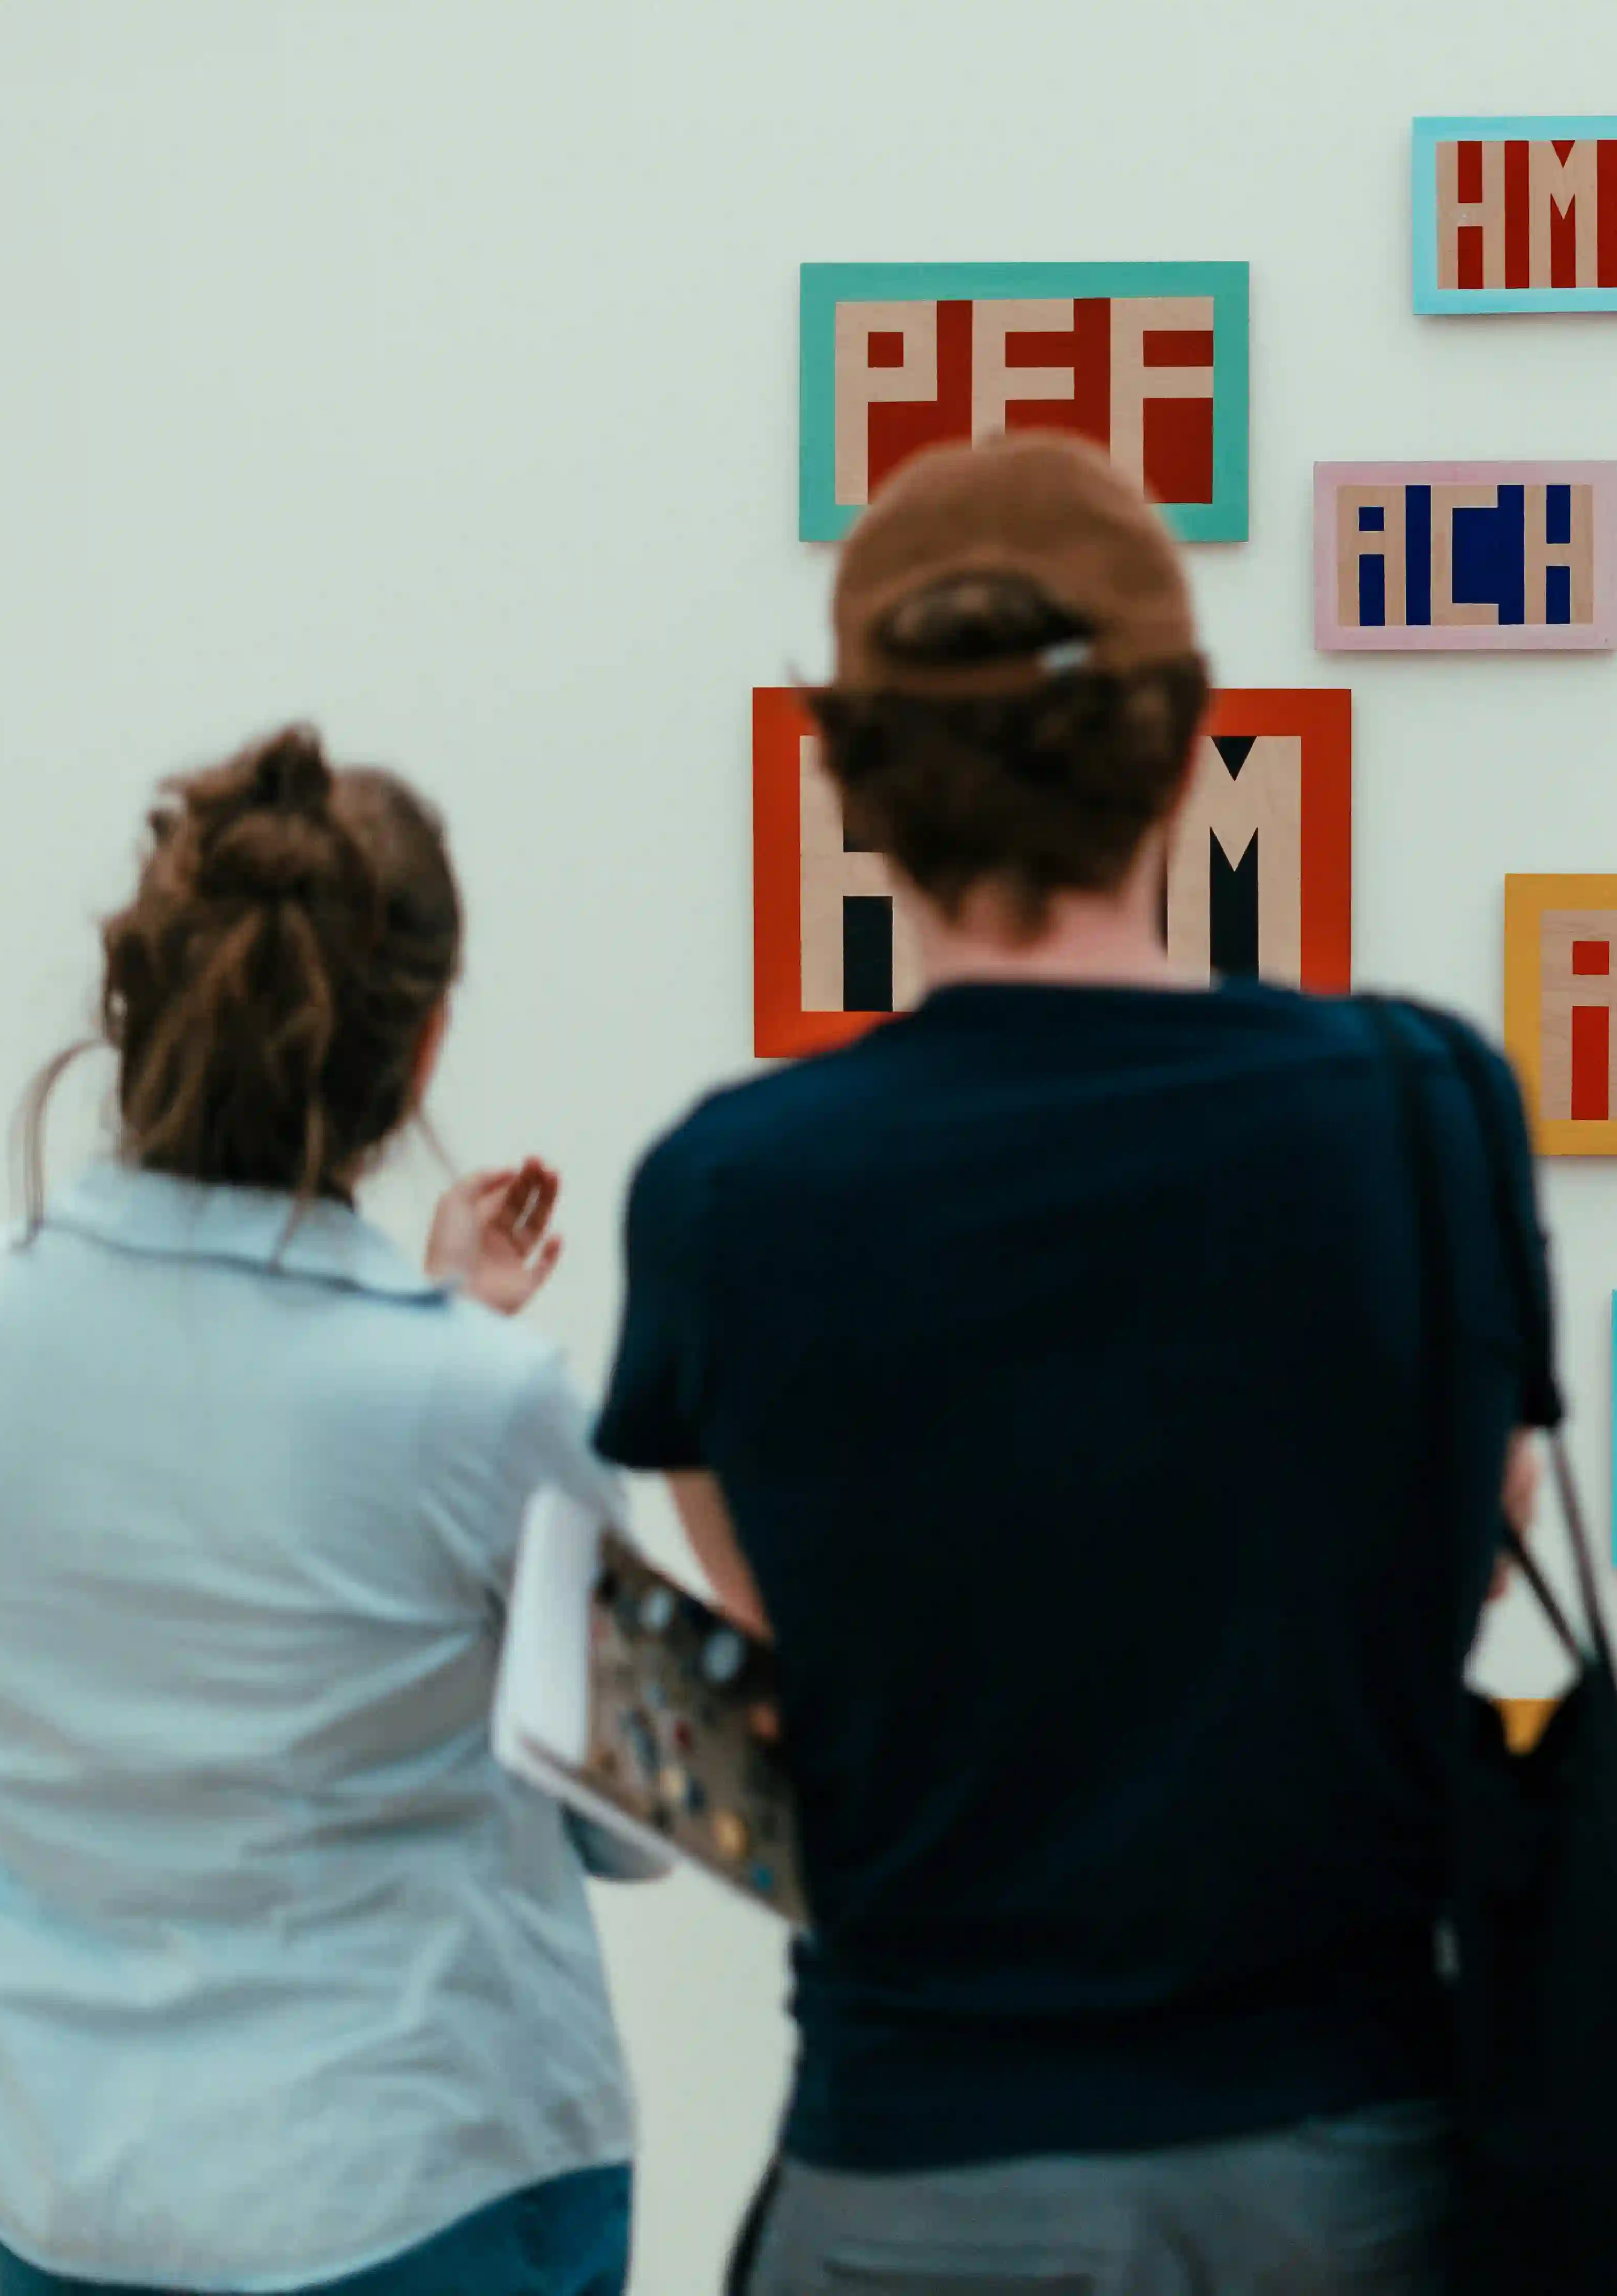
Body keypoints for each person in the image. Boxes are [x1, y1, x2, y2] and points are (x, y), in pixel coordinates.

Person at [597, 433, 1557, 2296]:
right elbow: (1487, 1511)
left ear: (849, 780)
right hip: (1343, 2165)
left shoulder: (726, 1193)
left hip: (920, 2166)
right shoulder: (1427, 1110)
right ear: (1192, 743)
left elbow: (764, 1607)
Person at [0, 725, 641, 2296]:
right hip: (408, 2198)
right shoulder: (481, 1401)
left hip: (60, 2194)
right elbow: (631, 1803)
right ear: (421, 1047)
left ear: (137, 1006)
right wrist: (458, 1341)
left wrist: (433, 1324)